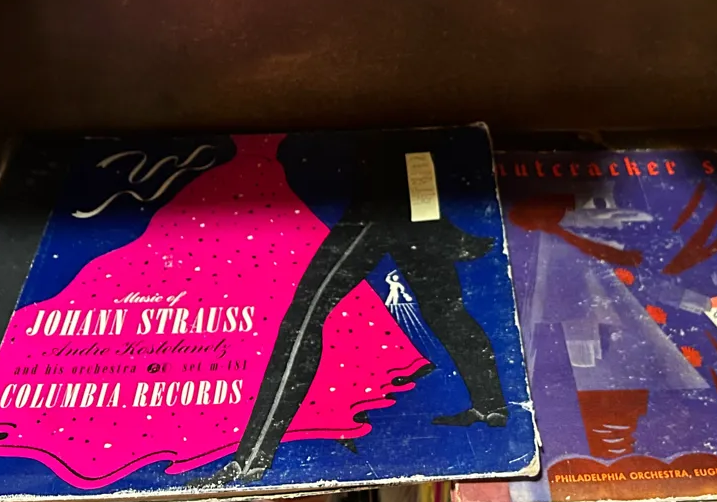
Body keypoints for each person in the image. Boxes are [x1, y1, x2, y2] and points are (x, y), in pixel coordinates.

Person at [215, 141, 508, 484]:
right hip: (407, 199)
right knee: (445, 311)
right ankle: (491, 407)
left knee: (305, 316)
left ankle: (250, 462)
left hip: (383, 201)